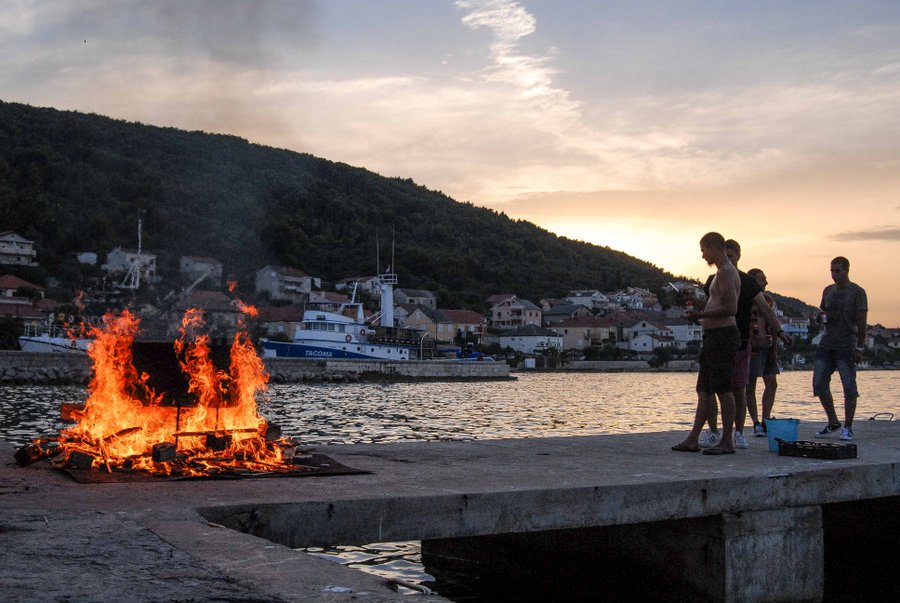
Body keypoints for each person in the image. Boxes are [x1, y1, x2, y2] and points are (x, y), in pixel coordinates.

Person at [696, 240, 792, 450]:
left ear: (738, 256)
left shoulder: (747, 282)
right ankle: (713, 431)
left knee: (738, 388)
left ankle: (737, 433)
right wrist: (697, 310)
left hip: (739, 340)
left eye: (731, 256)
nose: (728, 259)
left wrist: (779, 331)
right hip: (713, 336)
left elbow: (765, 309)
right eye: (726, 255)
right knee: (708, 388)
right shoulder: (712, 279)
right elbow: (711, 304)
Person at [672, 232, 741, 455]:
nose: (702, 256)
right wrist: (699, 305)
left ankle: (727, 442)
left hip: (723, 335)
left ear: (712, 247)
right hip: (713, 336)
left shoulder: (727, 273)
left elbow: (731, 308)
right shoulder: (720, 274)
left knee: (723, 389)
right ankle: (693, 439)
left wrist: (698, 317)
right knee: (703, 389)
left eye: (703, 250)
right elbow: (718, 303)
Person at [813, 256, 868, 441]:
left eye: (838, 271)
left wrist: (860, 347)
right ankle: (833, 421)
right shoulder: (828, 290)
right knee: (819, 384)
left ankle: (848, 427)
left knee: (849, 387)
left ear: (846, 270)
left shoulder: (858, 292)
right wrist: (819, 317)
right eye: (832, 271)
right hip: (826, 343)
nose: (834, 275)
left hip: (846, 345)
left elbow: (862, 322)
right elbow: (822, 312)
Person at [746, 268, 779, 436]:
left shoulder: (768, 300)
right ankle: (756, 422)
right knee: (750, 385)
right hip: (751, 349)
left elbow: (773, 324)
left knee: (771, 382)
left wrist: (774, 350)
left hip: (767, 347)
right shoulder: (744, 300)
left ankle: (766, 419)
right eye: (761, 280)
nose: (765, 282)